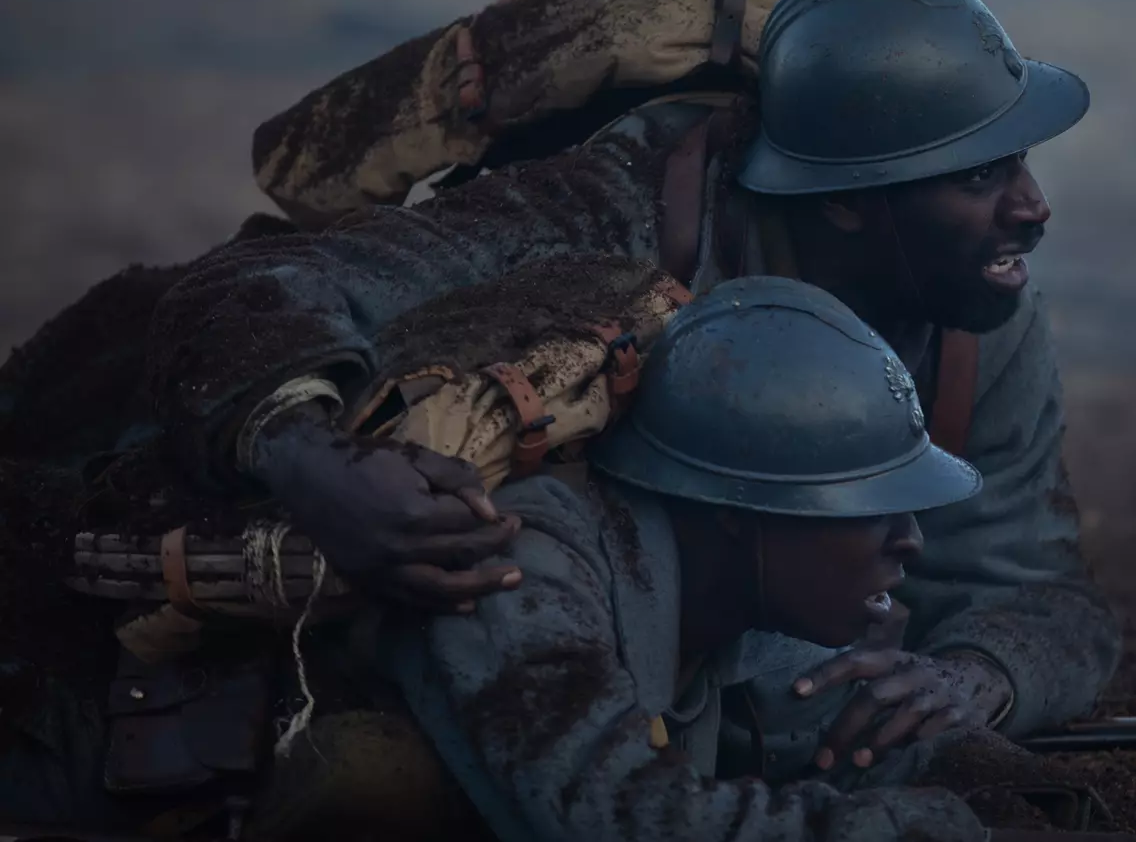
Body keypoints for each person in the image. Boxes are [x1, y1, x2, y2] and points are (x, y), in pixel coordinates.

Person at [144, 0, 1123, 762]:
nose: (1033, 209)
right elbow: (254, 286)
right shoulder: (617, 213)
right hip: (515, 665)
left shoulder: (974, 321)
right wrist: (318, 467)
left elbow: (1035, 585)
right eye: (982, 176)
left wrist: (977, 679)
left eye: (1022, 164)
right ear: (846, 199)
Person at [345, 276, 996, 841]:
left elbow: (855, 733)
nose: (910, 539)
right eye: (869, 508)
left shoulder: (742, 596)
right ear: (737, 512)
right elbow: (619, 820)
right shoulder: (518, 572)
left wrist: (1007, 781)